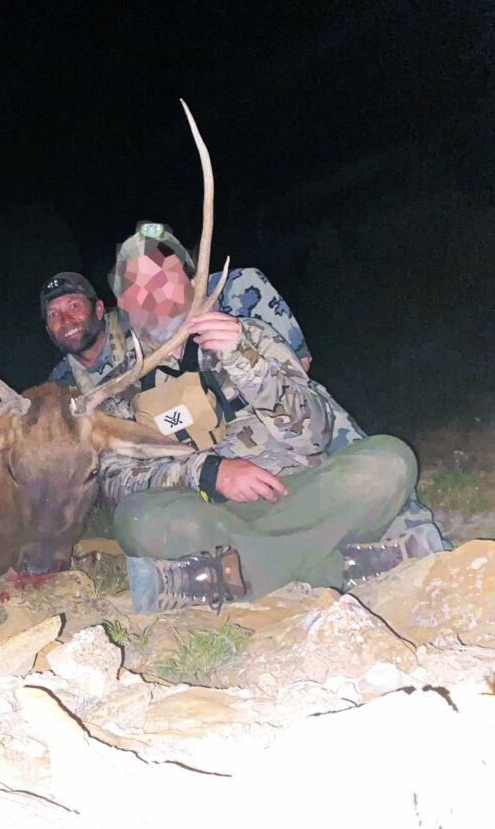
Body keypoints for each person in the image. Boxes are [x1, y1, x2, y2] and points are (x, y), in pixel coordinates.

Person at [40, 223, 446, 611]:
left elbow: (314, 433)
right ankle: (336, 564)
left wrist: (243, 358)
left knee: (390, 461)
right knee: (134, 520)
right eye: (137, 287)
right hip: (206, 514)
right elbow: (116, 480)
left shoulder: (248, 334)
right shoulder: (117, 386)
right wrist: (208, 472)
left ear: (191, 282)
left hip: (295, 491)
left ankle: (224, 577)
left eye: (166, 276)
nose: (154, 293)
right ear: (125, 306)